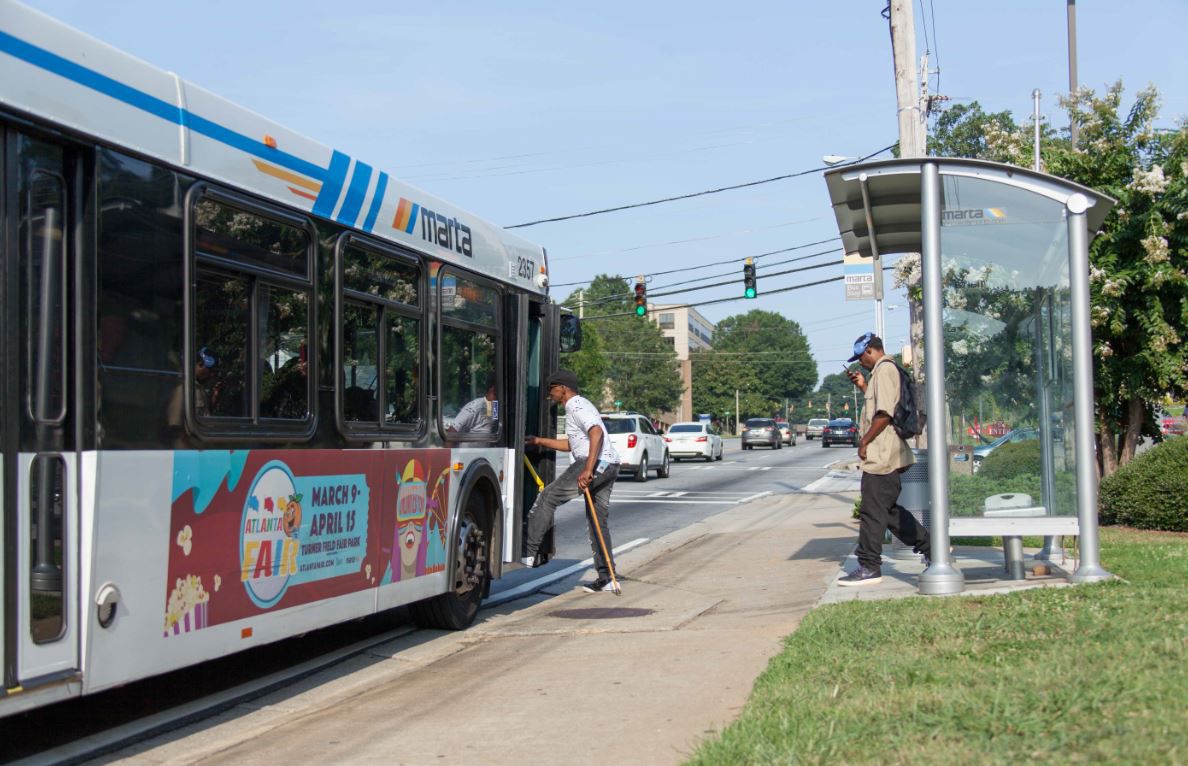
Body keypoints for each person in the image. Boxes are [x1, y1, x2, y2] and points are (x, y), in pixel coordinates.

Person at [839, 332, 931, 586]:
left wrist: (864, 440)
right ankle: (933, 549)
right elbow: (881, 404)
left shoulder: (884, 370)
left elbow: (884, 413)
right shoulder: (878, 374)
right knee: (888, 511)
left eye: (861, 357)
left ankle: (869, 566)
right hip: (886, 451)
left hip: (882, 452)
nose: (860, 363)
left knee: (872, 510)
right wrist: (863, 387)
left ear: (870, 350)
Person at [523, 370, 622, 593]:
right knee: (597, 521)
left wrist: (588, 469)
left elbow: (597, 433)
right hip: (609, 465)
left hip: (595, 463)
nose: (550, 394)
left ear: (563, 388)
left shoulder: (576, 406)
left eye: (552, 389)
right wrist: (539, 441)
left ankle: (527, 552)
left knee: (548, 497)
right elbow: (574, 444)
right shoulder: (580, 406)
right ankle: (608, 578)